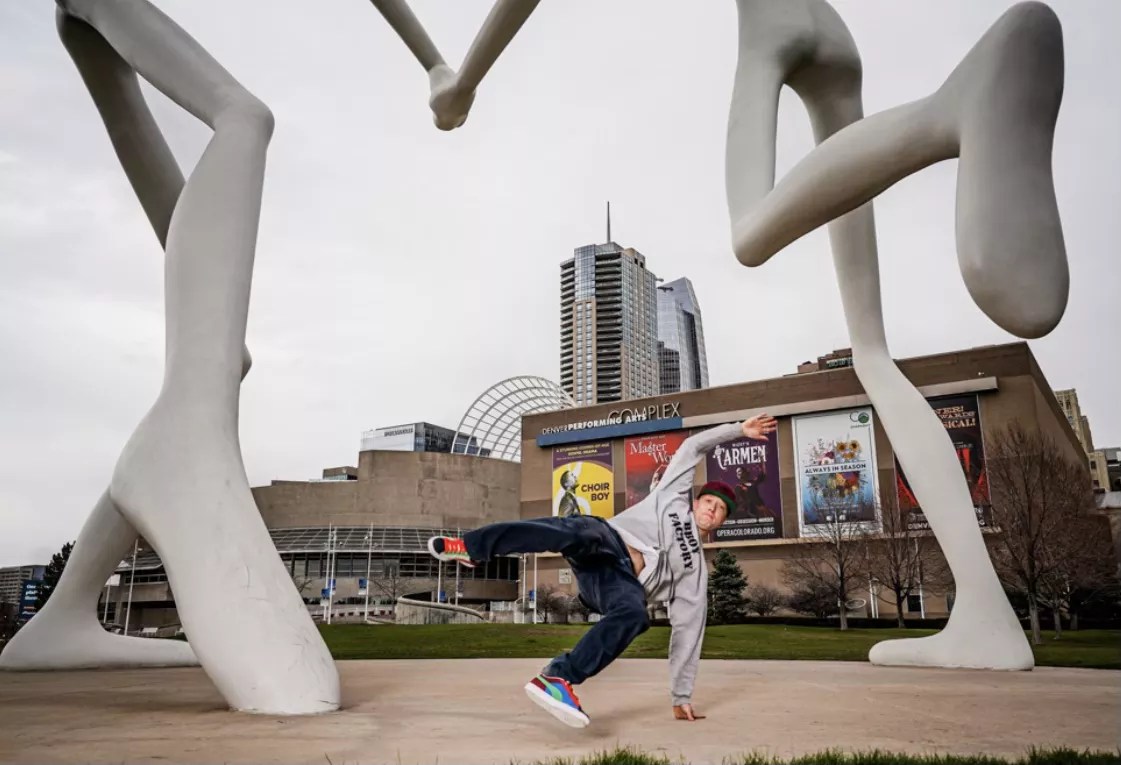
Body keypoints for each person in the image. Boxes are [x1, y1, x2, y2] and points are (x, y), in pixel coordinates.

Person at [427, 412, 778, 728]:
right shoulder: (672, 494)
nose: (712, 510)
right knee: (574, 530)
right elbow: (692, 447)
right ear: (697, 501)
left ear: (720, 523)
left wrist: (681, 695)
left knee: (635, 615)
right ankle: (472, 547)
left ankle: (557, 679)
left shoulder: (695, 571)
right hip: (607, 539)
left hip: (615, 582)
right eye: (709, 502)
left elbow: (689, 630)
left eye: (720, 511)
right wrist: (738, 430)